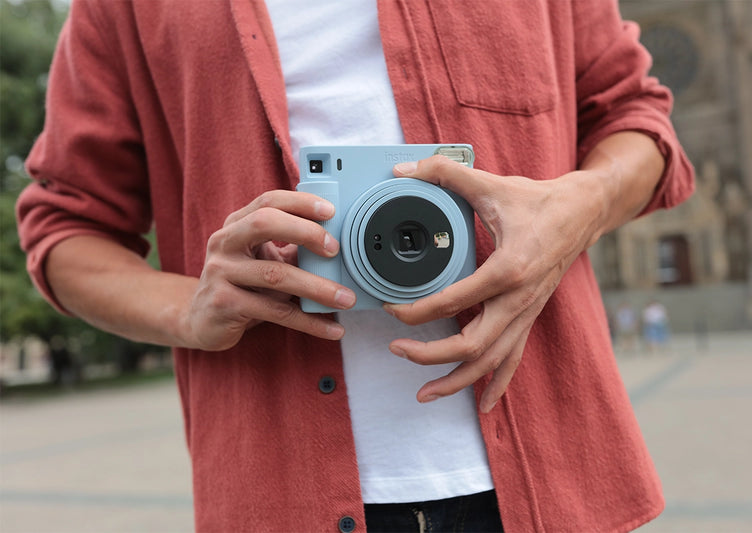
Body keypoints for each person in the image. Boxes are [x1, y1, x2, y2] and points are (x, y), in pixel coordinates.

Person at [16, 1, 695, 531]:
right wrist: (189, 309)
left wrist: (580, 205)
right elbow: (66, 228)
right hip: (278, 491)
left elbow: (634, 117)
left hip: (553, 477)